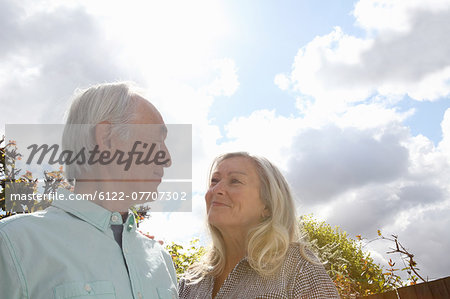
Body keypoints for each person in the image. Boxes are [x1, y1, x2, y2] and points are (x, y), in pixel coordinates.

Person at [0, 82, 178, 298]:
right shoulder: (13, 243)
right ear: (106, 138)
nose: (167, 159)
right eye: (156, 140)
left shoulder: (162, 260)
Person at [178, 152, 340, 299]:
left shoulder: (298, 267)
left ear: (268, 206)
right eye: (214, 181)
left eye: (235, 181)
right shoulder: (191, 280)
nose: (217, 189)